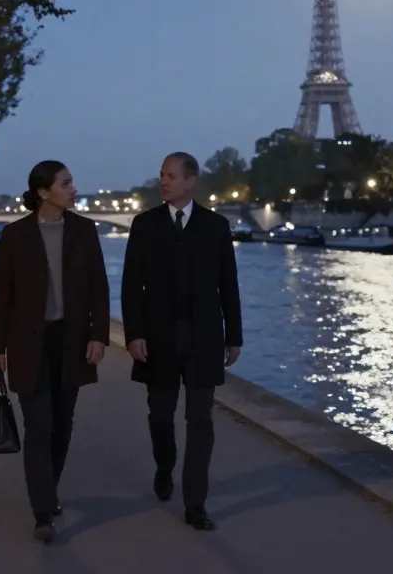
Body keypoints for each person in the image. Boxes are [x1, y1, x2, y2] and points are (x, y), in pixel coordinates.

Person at [0, 160, 109, 544]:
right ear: (43, 192)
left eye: (72, 182)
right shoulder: (15, 235)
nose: (74, 189)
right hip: (28, 343)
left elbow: (98, 289)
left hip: (71, 341)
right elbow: (2, 296)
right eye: (66, 183)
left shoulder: (85, 231)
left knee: (62, 423)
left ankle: (48, 489)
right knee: (39, 425)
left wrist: (98, 336)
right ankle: (42, 511)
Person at [121, 151, 243, 532]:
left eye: (171, 176)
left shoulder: (216, 226)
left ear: (191, 181)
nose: (164, 181)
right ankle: (164, 464)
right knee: (160, 415)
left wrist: (234, 336)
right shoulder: (144, 225)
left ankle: (195, 504)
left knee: (200, 420)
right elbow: (130, 287)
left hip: (204, 336)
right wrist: (134, 333)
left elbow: (228, 285)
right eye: (162, 175)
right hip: (157, 336)